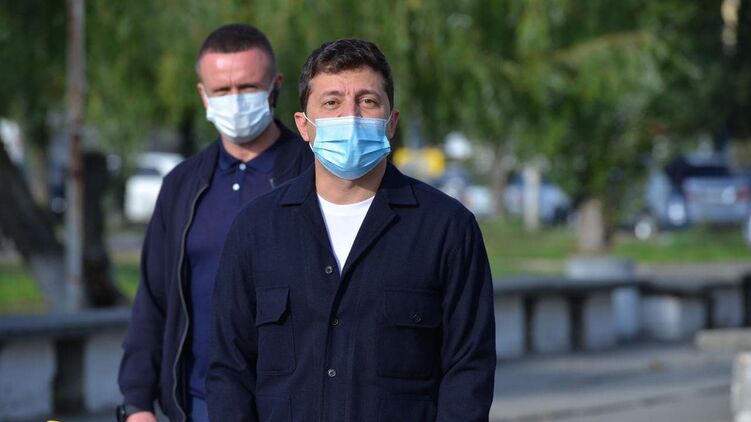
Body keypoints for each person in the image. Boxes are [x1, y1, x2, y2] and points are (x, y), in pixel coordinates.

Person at [206, 38, 496, 421]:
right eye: (332, 102)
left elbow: (468, 369)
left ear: (391, 122)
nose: (351, 116)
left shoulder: (447, 229)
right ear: (304, 126)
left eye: (367, 101)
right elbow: (229, 368)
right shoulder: (257, 229)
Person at [117, 24, 313, 422]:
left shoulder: (314, 175)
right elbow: (153, 301)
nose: (235, 100)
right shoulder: (182, 185)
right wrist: (137, 404)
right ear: (203, 95)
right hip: (199, 403)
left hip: (296, 402)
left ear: (275, 86)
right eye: (222, 90)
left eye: (248, 87)